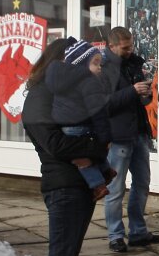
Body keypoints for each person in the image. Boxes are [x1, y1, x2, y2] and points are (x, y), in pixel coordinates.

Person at [23, 37, 104, 256]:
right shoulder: (40, 97)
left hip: (76, 184)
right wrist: (97, 147)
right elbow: (55, 145)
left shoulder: (61, 95)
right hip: (64, 187)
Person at [100, 26, 158, 253]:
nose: (130, 50)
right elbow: (103, 104)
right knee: (115, 189)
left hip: (139, 133)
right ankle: (115, 235)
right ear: (111, 46)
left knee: (142, 184)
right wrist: (132, 91)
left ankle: (138, 232)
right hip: (118, 136)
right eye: (125, 47)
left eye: (131, 45)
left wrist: (146, 94)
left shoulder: (135, 62)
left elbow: (142, 98)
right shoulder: (103, 69)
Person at [47, 38, 114, 201]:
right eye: (95, 63)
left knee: (80, 155)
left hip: (66, 125)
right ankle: (98, 183)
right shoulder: (88, 81)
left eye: (100, 63)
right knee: (81, 158)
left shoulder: (60, 79)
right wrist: (106, 136)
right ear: (82, 64)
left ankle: (105, 172)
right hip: (80, 124)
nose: (99, 68)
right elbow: (98, 111)